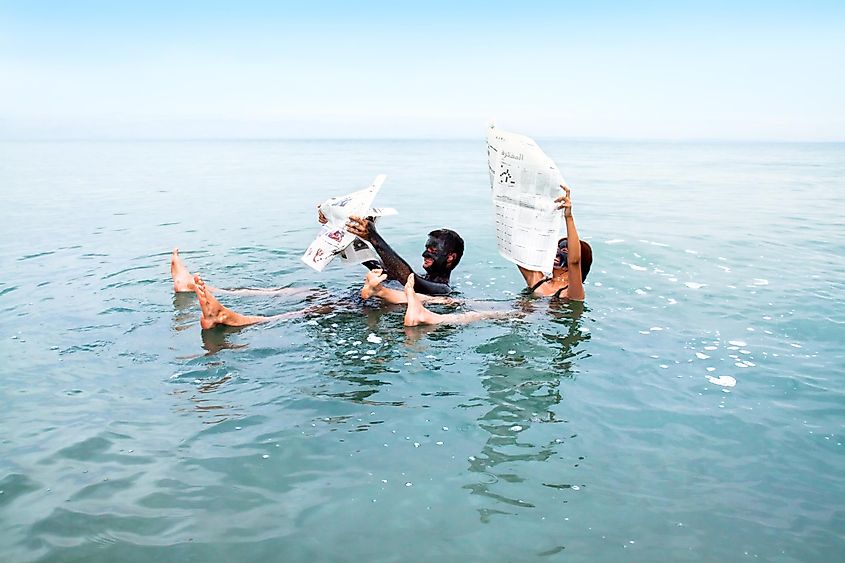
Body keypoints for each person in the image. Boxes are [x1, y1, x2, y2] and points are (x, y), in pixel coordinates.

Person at [402, 185, 591, 326]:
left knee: (478, 314)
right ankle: (387, 294)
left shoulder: (573, 291)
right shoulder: (540, 281)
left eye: (564, 251)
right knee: (452, 301)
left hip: (523, 317)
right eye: (557, 248)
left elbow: (574, 263)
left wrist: (568, 216)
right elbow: (515, 246)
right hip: (513, 309)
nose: (557, 253)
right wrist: (512, 201)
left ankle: (428, 318)